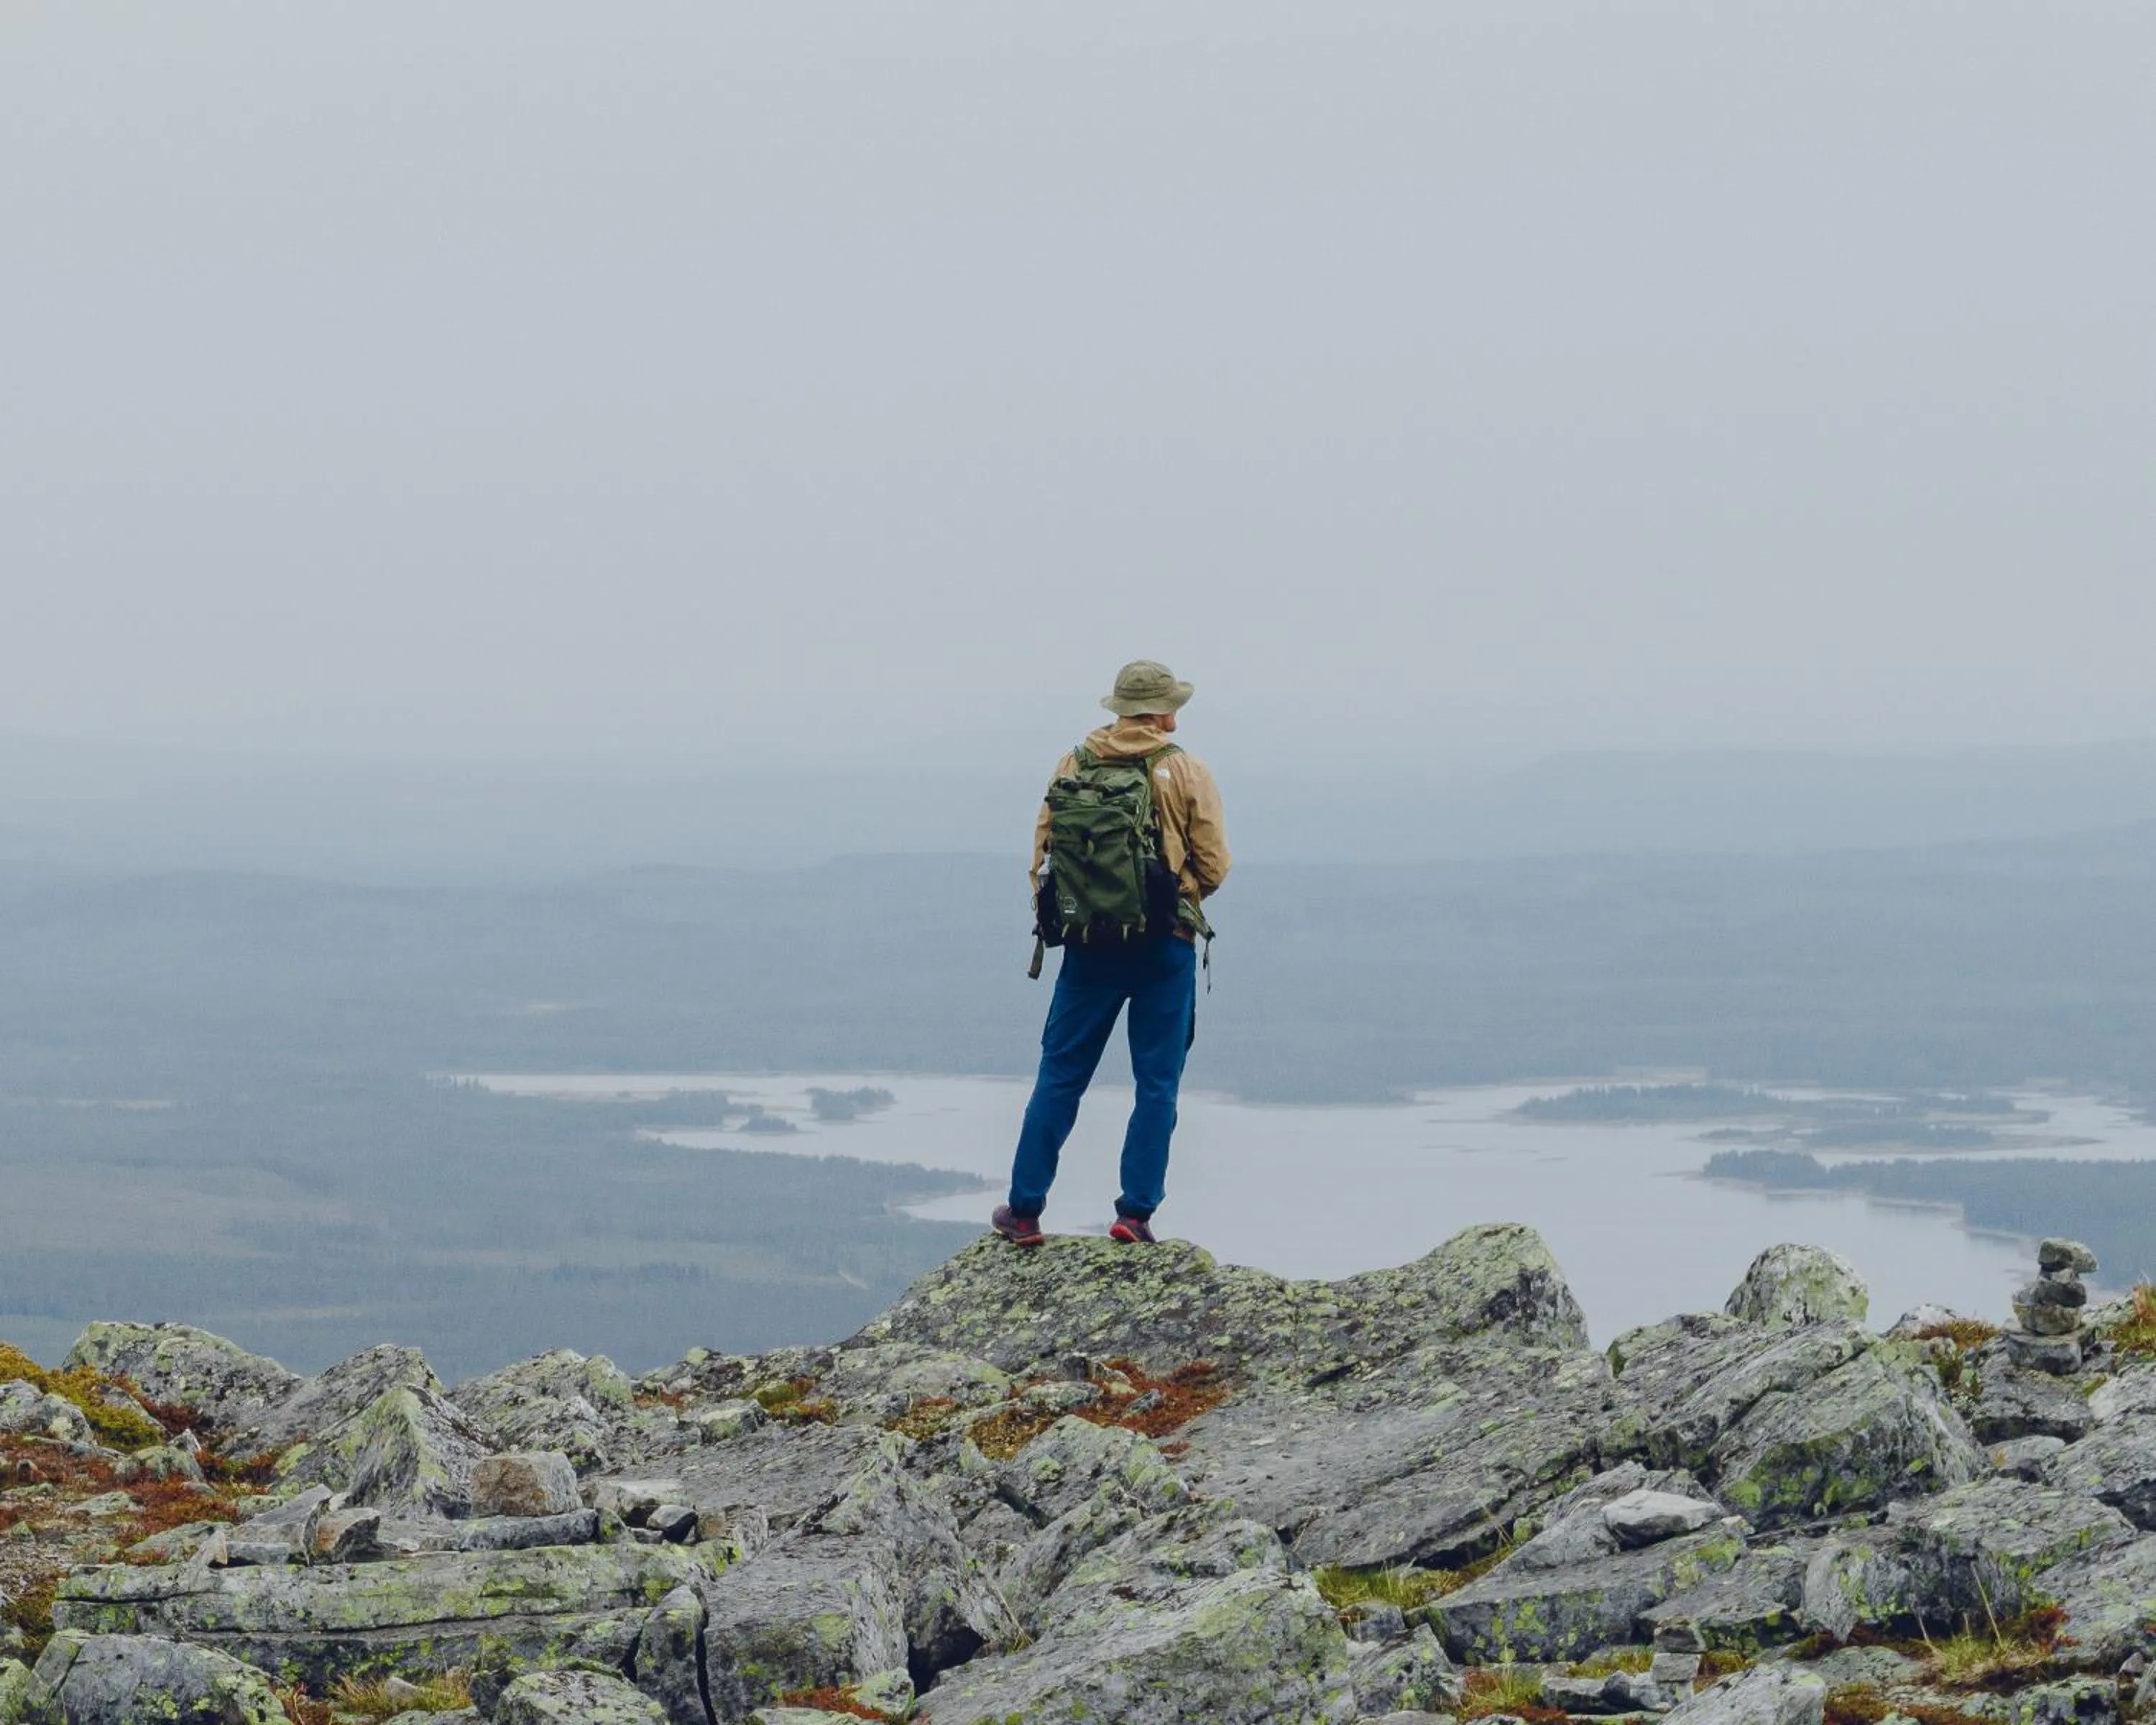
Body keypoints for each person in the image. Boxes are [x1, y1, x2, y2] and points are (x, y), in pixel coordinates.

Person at [992, 659, 1231, 1246]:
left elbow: (1043, 856)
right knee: (1156, 1083)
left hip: (1088, 948)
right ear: (1162, 712)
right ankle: (1134, 1214)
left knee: (1061, 1074)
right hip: (1163, 947)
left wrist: (1083, 915)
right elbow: (1215, 864)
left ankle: (1024, 1212)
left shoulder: (1073, 763)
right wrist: (1174, 899)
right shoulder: (1185, 770)